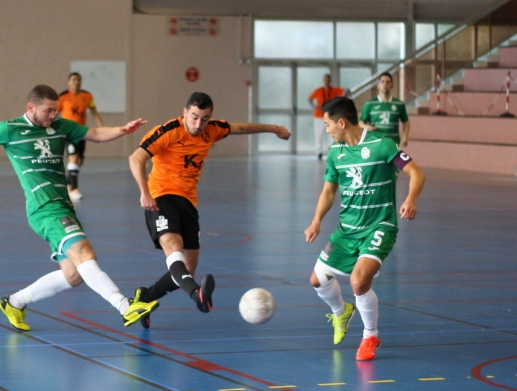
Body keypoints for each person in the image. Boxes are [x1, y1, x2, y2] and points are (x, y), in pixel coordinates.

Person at [0, 84, 158, 331]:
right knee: (85, 254)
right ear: (30, 108)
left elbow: (96, 134)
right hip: (44, 207)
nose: (53, 116)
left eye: (56, 110)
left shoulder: (60, 126)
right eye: (48, 111)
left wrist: (122, 130)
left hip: (63, 206)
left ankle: (14, 302)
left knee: (74, 275)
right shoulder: (9, 129)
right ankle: (125, 306)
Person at [129, 92, 291, 328]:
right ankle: (197, 295)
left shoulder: (212, 130)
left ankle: (145, 297)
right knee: (173, 248)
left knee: (188, 269)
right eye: (194, 117)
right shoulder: (168, 131)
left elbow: (242, 128)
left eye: (204, 119)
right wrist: (144, 192)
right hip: (160, 197)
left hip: (188, 202)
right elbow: (136, 158)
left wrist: (275, 128)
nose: (198, 124)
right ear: (185, 113)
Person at [304, 96, 424, 361]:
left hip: (380, 225)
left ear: (342, 122)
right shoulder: (336, 153)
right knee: (317, 280)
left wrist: (410, 199)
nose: (326, 129)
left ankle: (370, 335)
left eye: (327, 124)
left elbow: (416, 173)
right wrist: (316, 221)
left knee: (359, 281)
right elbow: (328, 191)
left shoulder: (382, 144)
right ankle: (340, 311)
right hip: (347, 229)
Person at [58, 72, 104, 200]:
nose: (76, 82)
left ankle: (67, 183)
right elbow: (54, 113)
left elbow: (94, 112)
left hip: (82, 132)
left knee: (79, 161)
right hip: (68, 132)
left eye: (78, 80)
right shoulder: (63, 97)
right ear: (69, 82)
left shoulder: (87, 96)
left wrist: (101, 127)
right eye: (73, 80)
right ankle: (74, 189)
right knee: (73, 157)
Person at [359, 72, 410, 147]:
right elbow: (360, 122)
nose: (385, 84)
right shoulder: (370, 104)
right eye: (382, 82)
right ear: (378, 85)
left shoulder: (399, 104)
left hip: (393, 143)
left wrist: (405, 136)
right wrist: (366, 127)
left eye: (388, 82)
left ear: (392, 85)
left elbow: (406, 122)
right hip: (375, 143)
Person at [309, 74, 345, 159]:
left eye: (328, 79)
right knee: (318, 133)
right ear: (323, 80)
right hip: (319, 115)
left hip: (330, 115)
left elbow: (345, 91)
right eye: (325, 79)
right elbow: (310, 98)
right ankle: (319, 151)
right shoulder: (319, 90)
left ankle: (331, 149)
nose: (327, 81)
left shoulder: (334, 90)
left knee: (331, 132)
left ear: (330, 80)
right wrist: (314, 106)